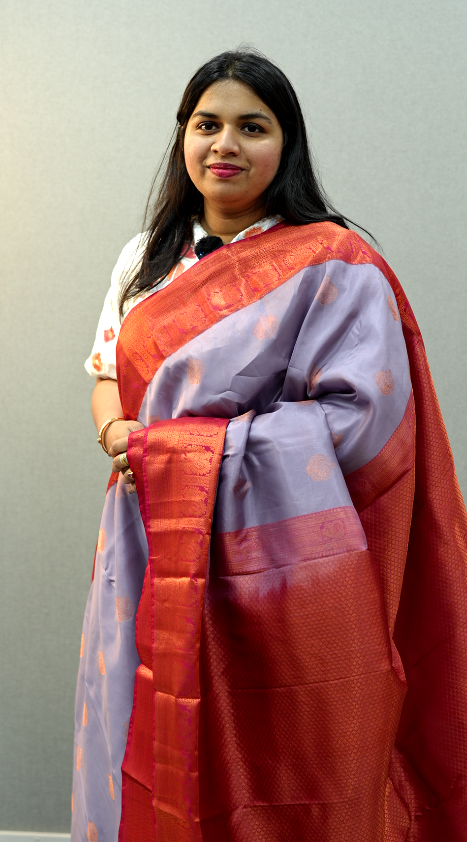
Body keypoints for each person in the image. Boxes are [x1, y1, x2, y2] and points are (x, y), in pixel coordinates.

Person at [71, 50, 467, 842]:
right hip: (148, 536)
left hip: (283, 563)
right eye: (205, 123)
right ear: (182, 136)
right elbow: (107, 374)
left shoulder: (332, 260)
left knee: (284, 744)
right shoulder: (143, 258)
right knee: (148, 722)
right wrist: (117, 431)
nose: (225, 143)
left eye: (252, 126)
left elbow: (359, 422)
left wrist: (187, 453)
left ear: (286, 143)